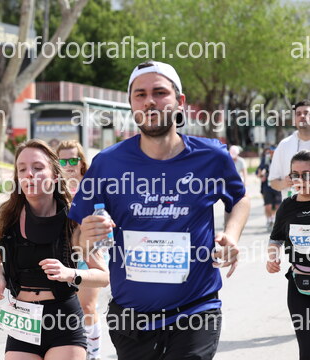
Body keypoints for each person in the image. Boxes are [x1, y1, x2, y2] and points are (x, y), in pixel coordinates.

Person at [69, 61, 250, 359]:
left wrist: (231, 235)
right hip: (131, 319)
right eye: (140, 94)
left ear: (180, 101)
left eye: (159, 92)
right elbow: (77, 238)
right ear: (131, 104)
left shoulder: (211, 156)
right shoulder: (107, 163)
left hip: (196, 310)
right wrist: (86, 238)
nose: (149, 101)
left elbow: (240, 199)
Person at [0, 139, 109, 360]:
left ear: (55, 175)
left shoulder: (73, 220)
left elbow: (103, 276)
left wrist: (70, 274)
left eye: (38, 167)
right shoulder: (10, 217)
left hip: (63, 320)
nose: (29, 174)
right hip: (23, 322)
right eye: (22, 169)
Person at [57, 140, 104, 360]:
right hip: (61, 255)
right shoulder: (53, 187)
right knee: (68, 309)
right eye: (63, 161)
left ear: (81, 161)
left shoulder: (90, 186)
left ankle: (93, 354)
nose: (68, 165)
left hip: (88, 252)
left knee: (87, 307)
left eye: (73, 160)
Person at [266, 150, 310, 360]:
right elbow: (276, 239)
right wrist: (272, 257)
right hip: (299, 286)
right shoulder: (287, 206)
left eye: (306, 174)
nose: (300, 180)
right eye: (295, 175)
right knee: (307, 348)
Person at [270, 100, 310, 200]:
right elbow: (273, 182)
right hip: (292, 206)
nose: (302, 116)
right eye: (298, 114)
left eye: (306, 113)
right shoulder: (284, 145)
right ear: (294, 119)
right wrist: (284, 183)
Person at [256, 145, 281, 230]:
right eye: (270, 152)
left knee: (278, 205)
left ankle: (276, 220)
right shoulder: (265, 160)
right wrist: (261, 175)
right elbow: (258, 172)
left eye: (273, 152)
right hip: (267, 186)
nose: (271, 154)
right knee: (268, 205)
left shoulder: (279, 160)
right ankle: (269, 220)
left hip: (277, 185)